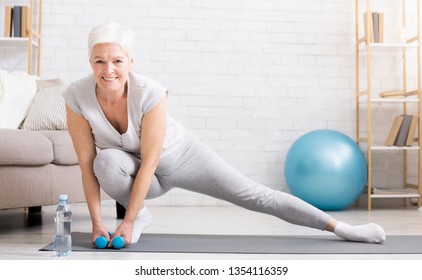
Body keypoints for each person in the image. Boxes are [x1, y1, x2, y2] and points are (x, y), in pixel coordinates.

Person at [63, 22, 386, 248]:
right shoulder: (77, 96)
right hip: (128, 168)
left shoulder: (150, 92)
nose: (108, 70)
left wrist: (127, 222)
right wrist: (96, 223)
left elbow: (151, 162)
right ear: (89, 61)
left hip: (179, 158)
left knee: (255, 195)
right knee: (103, 162)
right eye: (99, 61)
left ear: (130, 62)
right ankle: (143, 214)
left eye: (117, 61)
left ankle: (343, 228)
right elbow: (86, 161)